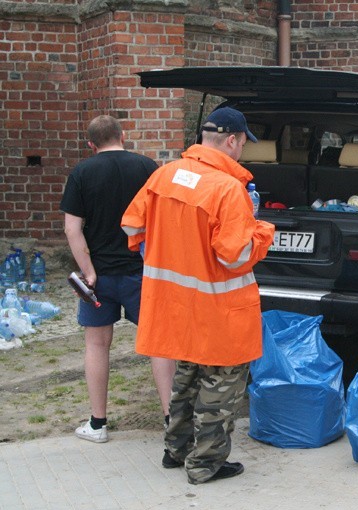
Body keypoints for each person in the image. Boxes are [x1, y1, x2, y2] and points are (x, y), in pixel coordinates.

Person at [121, 107, 275, 485]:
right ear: (232, 141)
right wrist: (262, 231)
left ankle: (175, 451)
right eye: (242, 144)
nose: (241, 151)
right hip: (219, 310)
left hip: (174, 306)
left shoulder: (164, 175)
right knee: (220, 387)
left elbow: (131, 226)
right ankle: (206, 463)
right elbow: (234, 256)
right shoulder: (227, 189)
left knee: (186, 380)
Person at [60, 115, 175, 444]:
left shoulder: (81, 172)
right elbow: (165, 219)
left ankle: (98, 424)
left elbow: (72, 229)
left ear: (91, 144)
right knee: (158, 344)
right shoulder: (147, 167)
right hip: (143, 274)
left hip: (100, 279)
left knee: (97, 346)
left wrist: (89, 270)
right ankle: (172, 419)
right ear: (123, 136)